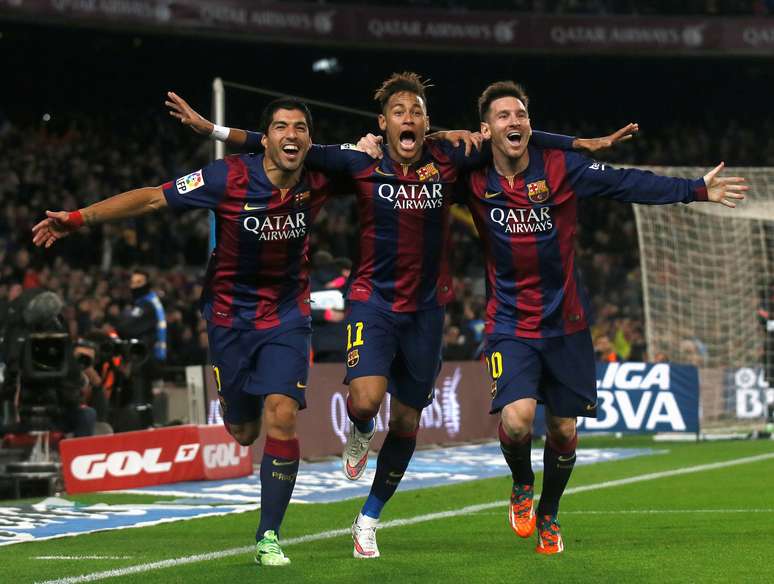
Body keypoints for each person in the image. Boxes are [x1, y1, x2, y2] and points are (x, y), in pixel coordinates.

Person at [166, 73, 634, 558]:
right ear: (382, 123)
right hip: (373, 299)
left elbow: (510, 134)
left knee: (408, 420)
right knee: (366, 401)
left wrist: (578, 143)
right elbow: (290, 145)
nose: (407, 119)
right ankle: (361, 430)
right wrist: (214, 131)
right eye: (398, 112)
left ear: (427, 123)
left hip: (429, 309)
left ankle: (368, 518)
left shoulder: (450, 157)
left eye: (416, 112)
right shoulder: (360, 160)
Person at [32, 97, 349, 566]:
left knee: (282, 415)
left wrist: (459, 140)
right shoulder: (228, 177)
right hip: (227, 317)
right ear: (266, 138)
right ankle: (239, 404)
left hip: (286, 315)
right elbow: (152, 197)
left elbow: (400, 158)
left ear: (309, 138)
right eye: (281, 127)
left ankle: (268, 535)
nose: (292, 135)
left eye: (301, 128)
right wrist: (79, 219)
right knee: (243, 432)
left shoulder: (320, 175)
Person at [462, 81, 747, 554]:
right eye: (503, 116)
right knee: (517, 422)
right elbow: (435, 147)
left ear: (531, 124)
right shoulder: (469, 177)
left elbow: (625, 181)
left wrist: (694, 189)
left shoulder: (560, 167)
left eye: (521, 115)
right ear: (486, 128)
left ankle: (549, 516)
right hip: (509, 323)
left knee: (564, 430)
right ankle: (520, 484)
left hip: (566, 323)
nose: (514, 122)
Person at [114, 269, 166, 428]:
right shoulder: (146, 302)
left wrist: (123, 317)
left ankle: (144, 429)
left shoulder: (147, 305)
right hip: (144, 358)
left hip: (145, 360)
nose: (135, 286)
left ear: (147, 284)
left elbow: (125, 327)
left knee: (141, 400)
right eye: (133, 283)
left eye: (139, 283)